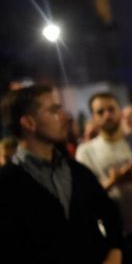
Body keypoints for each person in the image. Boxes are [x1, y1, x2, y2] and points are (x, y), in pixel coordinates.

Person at [0, 85, 123, 263]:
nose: (66, 117)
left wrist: (114, 252)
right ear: (29, 123)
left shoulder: (77, 171)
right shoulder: (7, 184)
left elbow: (111, 215)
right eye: (54, 110)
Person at [76, 92, 132, 263]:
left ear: (120, 111)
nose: (107, 115)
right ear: (93, 118)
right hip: (116, 235)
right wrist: (113, 181)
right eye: (100, 112)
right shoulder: (86, 151)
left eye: (111, 109)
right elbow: (87, 196)